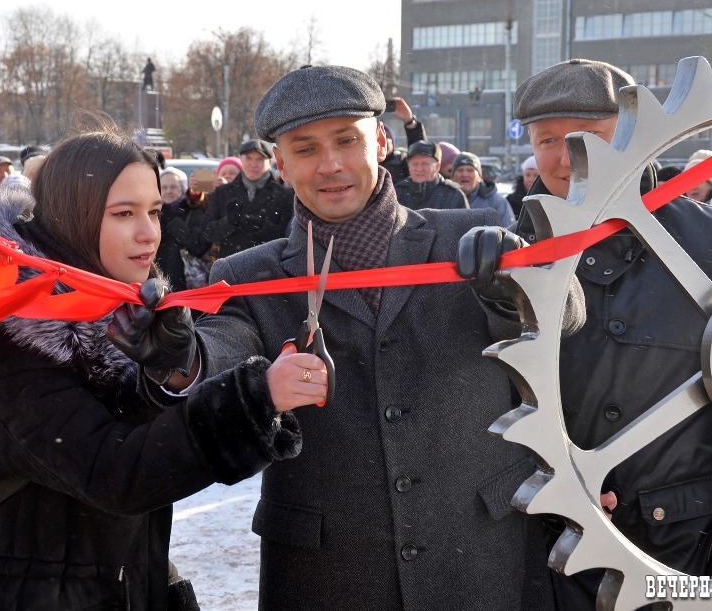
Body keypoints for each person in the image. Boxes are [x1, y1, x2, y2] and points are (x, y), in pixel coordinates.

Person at [112, 65, 586, 610]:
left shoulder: (465, 236)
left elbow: (566, 317)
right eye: (306, 149)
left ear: (381, 141)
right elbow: (222, 347)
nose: (331, 164)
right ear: (282, 165)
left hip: (480, 555)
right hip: (328, 573)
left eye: (346, 140)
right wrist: (180, 355)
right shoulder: (250, 275)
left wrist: (512, 286)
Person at [0, 125, 313, 611]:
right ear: (74, 216)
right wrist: (253, 401)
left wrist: (170, 373)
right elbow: (115, 472)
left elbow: (122, 423)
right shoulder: (18, 336)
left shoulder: (105, 305)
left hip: (123, 584)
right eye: (123, 214)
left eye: (154, 211)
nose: (148, 233)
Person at [511, 58, 712, 606]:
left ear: (633, 133)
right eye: (546, 139)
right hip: (550, 550)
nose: (564, 156)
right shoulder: (514, 254)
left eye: (587, 136)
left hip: (686, 548)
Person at [203, 139, 294, 259]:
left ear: (270, 161)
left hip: (269, 266)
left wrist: (263, 226)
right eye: (249, 158)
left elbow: (290, 238)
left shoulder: (284, 195)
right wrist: (228, 222)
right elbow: (207, 233)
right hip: (230, 265)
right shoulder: (222, 192)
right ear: (241, 160)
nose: (253, 164)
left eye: (259, 159)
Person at [394, 139, 468, 210]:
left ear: (437, 166)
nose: (419, 169)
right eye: (415, 164)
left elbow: (466, 222)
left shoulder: (453, 194)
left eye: (425, 164)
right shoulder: (397, 193)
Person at [452, 151, 514, 225]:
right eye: (460, 170)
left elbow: (510, 232)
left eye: (470, 170)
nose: (465, 174)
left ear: (479, 177)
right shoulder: (445, 200)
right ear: (452, 177)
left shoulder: (497, 202)